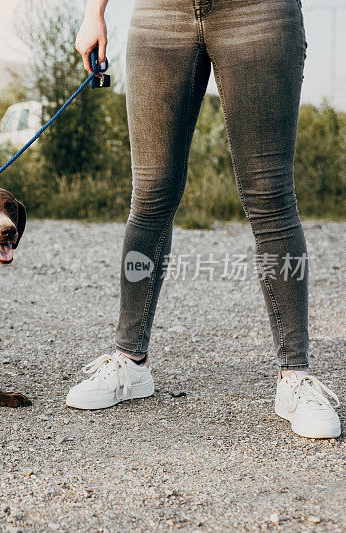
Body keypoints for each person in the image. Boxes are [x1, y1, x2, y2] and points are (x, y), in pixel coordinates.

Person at [66, 0, 341, 439]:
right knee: (151, 193)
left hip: (259, 11)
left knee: (269, 195)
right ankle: (131, 362)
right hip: (160, 14)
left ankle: (294, 377)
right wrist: (92, 12)